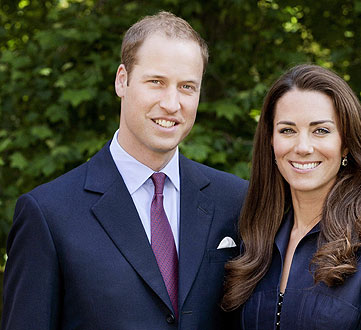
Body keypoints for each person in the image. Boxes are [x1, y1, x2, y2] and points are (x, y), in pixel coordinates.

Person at [2, 11, 247, 329]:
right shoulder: (48, 214)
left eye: (187, 87)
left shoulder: (235, 200)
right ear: (122, 80)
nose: (172, 103)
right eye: (156, 82)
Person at [222, 64, 361, 329]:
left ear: (346, 144)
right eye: (287, 130)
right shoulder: (253, 241)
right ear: (271, 141)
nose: (302, 147)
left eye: (321, 131)